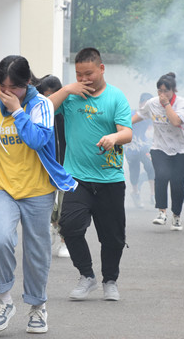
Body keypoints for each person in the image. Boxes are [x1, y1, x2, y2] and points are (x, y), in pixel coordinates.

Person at [0, 55, 77, 334]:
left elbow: (38, 139)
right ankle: (4, 300)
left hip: (38, 191)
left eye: (14, 88)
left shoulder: (41, 106)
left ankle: (37, 307)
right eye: (3, 87)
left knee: (36, 252)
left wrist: (17, 112)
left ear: (27, 84)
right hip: (3, 188)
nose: (7, 93)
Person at [48, 47, 133, 301]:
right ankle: (87, 276)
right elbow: (42, 111)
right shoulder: (71, 97)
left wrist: (113, 137)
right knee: (70, 227)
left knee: (113, 237)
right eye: (79, 74)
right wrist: (65, 90)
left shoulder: (116, 97)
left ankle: (110, 280)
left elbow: (127, 133)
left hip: (110, 178)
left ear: (101, 69)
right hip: (76, 178)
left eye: (89, 73)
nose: (84, 79)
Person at [132, 73, 184, 229]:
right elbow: (139, 115)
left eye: (166, 91)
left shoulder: (181, 103)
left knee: (178, 184)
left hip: (180, 150)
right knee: (162, 176)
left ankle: (176, 216)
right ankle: (162, 212)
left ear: (174, 90)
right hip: (159, 148)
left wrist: (166, 105)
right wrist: (121, 125)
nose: (162, 95)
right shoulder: (152, 103)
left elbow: (176, 121)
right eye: (159, 91)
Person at [36, 74, 70, 258]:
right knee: (47, 206)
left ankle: (65, 240)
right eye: (47, 96)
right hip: (45, 166)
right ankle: (52, 227)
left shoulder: (67, 112)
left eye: (55, 96)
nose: (51, 101)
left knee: (66, 206)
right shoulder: (38, 113)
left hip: (66, 165)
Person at [125, 93, 155, 209]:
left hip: (143, 145)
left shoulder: (150, 116)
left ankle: (153, 194)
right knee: (134, 169)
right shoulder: (133, 114)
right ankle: (135, 192)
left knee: (150, 166)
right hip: (131, 146)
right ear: (141, 103)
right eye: (146, 102)